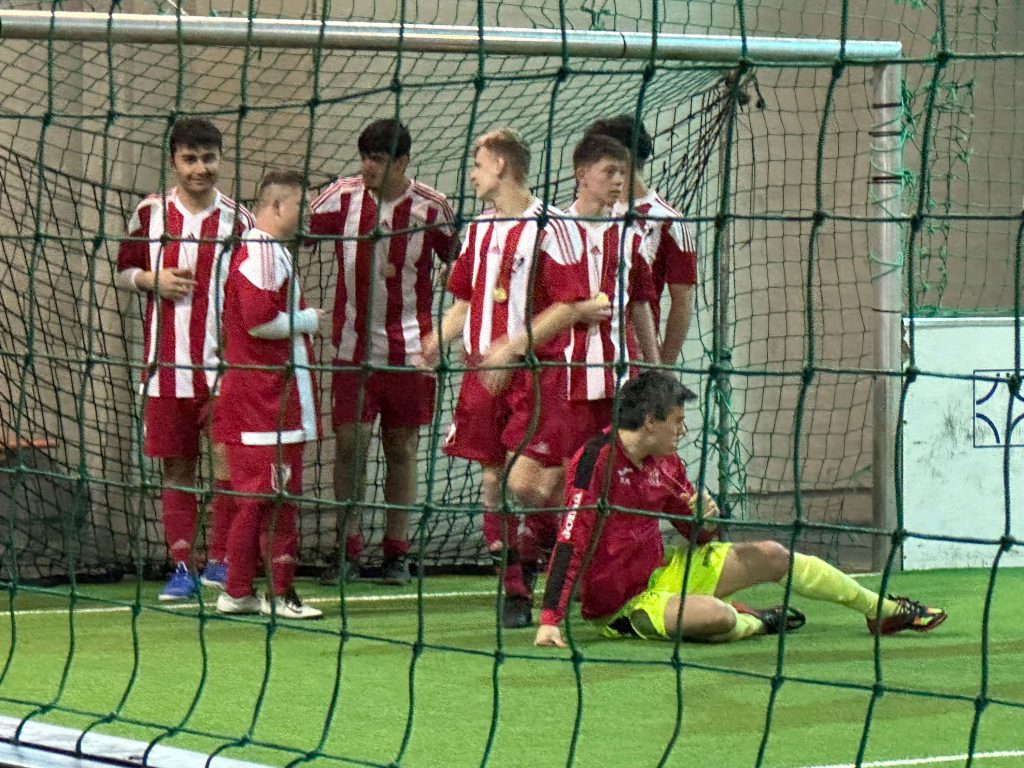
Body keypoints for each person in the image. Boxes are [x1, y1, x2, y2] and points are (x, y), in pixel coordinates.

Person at [535, 371, 948, 647]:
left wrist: (705, 520)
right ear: (649, 421)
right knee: (716, 617)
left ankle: (882, 611)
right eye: (677, 421)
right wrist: (551, 619)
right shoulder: (596, 462)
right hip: (624, 604)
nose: (682, 430)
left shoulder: (668, 463)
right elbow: (570, 541)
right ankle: (757, 621)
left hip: (668, 572)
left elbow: (699, 539)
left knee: (772, 554)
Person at [418, 127, 610, 628]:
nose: (473, 173)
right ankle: (514, 590)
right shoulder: (479, 228)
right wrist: (438, 339)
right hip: (481, 374)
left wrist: (514, 346)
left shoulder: (552, 226)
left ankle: (545, 542)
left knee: (531, 490)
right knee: (490, 483)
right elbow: (465, 298)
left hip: (536, 374)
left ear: (500, 165)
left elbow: (572, 304)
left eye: (477, 164)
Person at [308, 119, 457, 586]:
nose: (368, 166)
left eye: (379, 159)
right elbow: (296, 230)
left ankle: (396, 552)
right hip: (352, 349)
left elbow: (465, 270)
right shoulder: (340, 197)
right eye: (365, 157)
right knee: (350, 444)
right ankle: (346, 549)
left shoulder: (432, 208)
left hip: (411, 352)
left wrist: (452, 334)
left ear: (403, 162)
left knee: (402, 446)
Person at [115, 117, 254, 601]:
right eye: (190, 159)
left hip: (224, 372)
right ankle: (181, 568)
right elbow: (125, 269)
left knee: (227, 470)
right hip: (165, 370)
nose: (200, 169)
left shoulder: (240, 220)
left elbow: (253, 290)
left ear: (220, 159)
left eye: (208, 158)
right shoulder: (150, 212)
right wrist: (152, 280)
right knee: (176, 472)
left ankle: (221, 562)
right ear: (173, 160)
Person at [212, 169, 323, 620]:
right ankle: (278, 594)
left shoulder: (261, 250)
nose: (308, 212)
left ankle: (237, 591)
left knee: (256, 502)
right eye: (303, 204)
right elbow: (259, 320)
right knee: (275, 502)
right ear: (277, 206)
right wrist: (309, 319)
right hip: (266, 403)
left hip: (260, 401)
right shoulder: (262, 252)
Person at [584, 115, 698, 366]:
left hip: (635, 358)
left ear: (621, 156)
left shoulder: (668, 220)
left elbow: (683, 299)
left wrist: (663, 367)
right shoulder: (589, 214)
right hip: (585, 356)